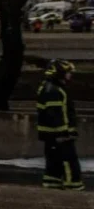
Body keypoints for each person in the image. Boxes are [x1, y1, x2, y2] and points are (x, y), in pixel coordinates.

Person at [37, 59, 85, 191]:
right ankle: (73, 187)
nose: (70, 75)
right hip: (59, 136)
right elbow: (56, 115)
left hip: (52, 136)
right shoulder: (54, 90)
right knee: (69, 163)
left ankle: (52, 187)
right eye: (68, 73)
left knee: (53, 164)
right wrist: (64, 133)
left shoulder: (48, 87)